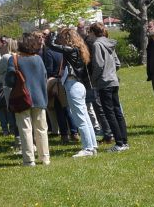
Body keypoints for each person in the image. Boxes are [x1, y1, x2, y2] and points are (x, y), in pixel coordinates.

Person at [2, 31, 50, 166]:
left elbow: (9, 81)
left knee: (25, 129)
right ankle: (45, 158)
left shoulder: (15, 59)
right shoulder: (39, 59)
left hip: (23, 98)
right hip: (40, 97)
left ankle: (29, 160)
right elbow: (44, 77)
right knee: (41, 129)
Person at [55, 27, 99, 157]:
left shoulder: (71, 50)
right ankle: (92, 145)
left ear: (67, 39)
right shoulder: (79, 49)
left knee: (80, 118)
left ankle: (88, 148)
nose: (59, 40)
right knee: (84, 116)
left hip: (73, 85)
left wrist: (53, 34)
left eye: (61, 37)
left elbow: (51, 45)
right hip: (79, 85)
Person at [86, 23, 129, 151]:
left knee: (109, 113)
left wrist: (93, 80)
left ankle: (119, 143)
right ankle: (124, 141)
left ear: (93, 32)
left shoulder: (97, 44)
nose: (89, 35)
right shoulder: (109, 43)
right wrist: (111, 73)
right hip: (113, 81)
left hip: (104, 83)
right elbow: (117, 63)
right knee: (117, 112)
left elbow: (98, 65)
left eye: (89, 32)